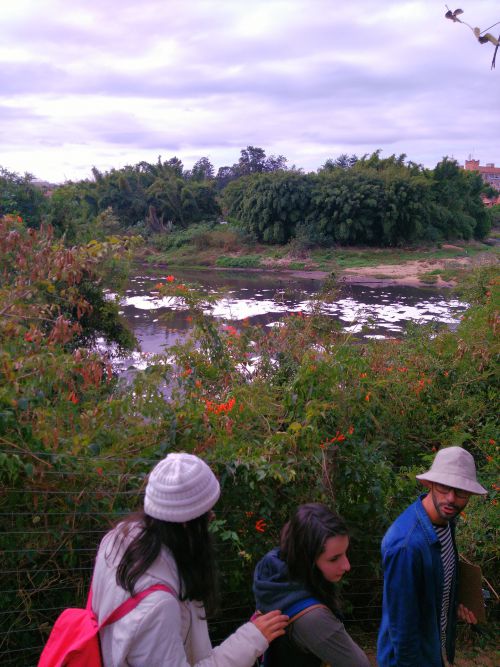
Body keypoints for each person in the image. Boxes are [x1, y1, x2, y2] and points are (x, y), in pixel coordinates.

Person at [91, 452, 288, 666]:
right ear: (186, 524)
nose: (211, 519)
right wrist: (251, 639)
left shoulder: (118, 541)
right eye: (208, 515)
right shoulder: (157, 607)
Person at [377, 446, 487, 667]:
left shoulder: (446, 523)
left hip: (434, 650)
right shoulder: (406, 546)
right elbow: (403, 629)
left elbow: (430, 590)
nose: (451, 499)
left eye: (461, 492)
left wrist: (451, 606)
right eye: (444, 487)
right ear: (430, 484)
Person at [253, 503, 371, 667]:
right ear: (306, 560)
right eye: (334, 558)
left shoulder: (273, 577)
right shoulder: (313, 619)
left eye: (345, 553)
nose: (347, 566)